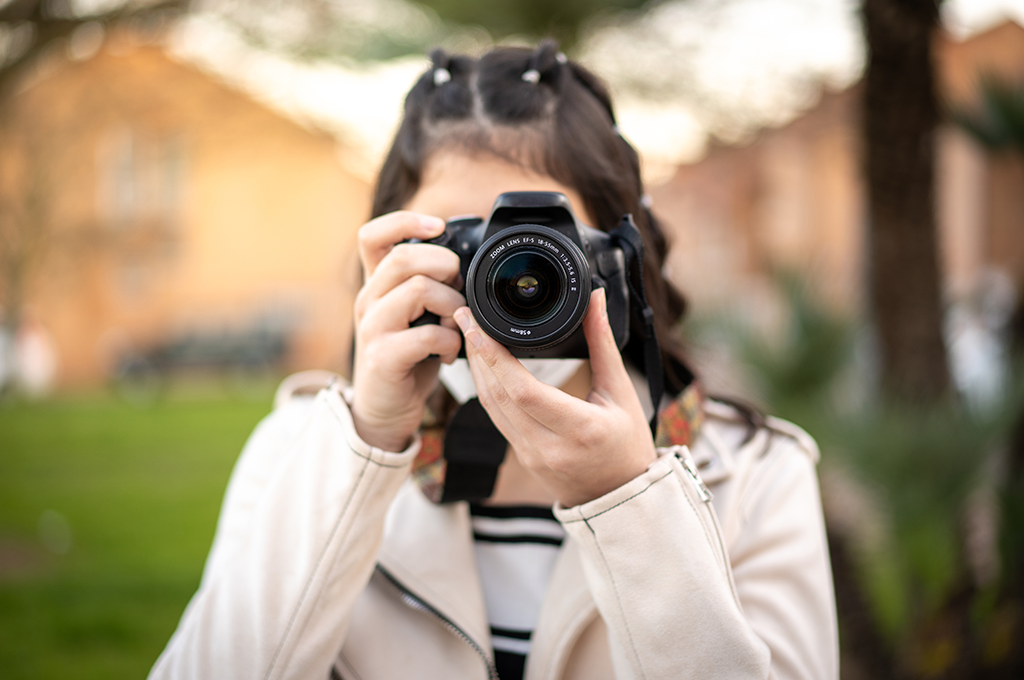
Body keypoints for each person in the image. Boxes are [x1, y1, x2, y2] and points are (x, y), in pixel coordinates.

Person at [149, 41, 838, 680]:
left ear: (619, 262)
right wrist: (368, 443)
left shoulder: (757, 478)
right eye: (463, 244)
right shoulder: (297, 456)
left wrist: (628, 499)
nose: (503, 280)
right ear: (388, 257)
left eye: (545, 240)